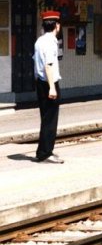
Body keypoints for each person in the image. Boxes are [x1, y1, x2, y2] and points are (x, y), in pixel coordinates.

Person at [33, 10, 63, 163]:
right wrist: (52, 87)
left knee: (46, 118)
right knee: (50, 119)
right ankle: (45, 153)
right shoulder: (51, 41)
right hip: (49, 83)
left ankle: (43, 151)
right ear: (56, 26)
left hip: (40, 82)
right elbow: (49, 65)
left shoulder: (39, 41)